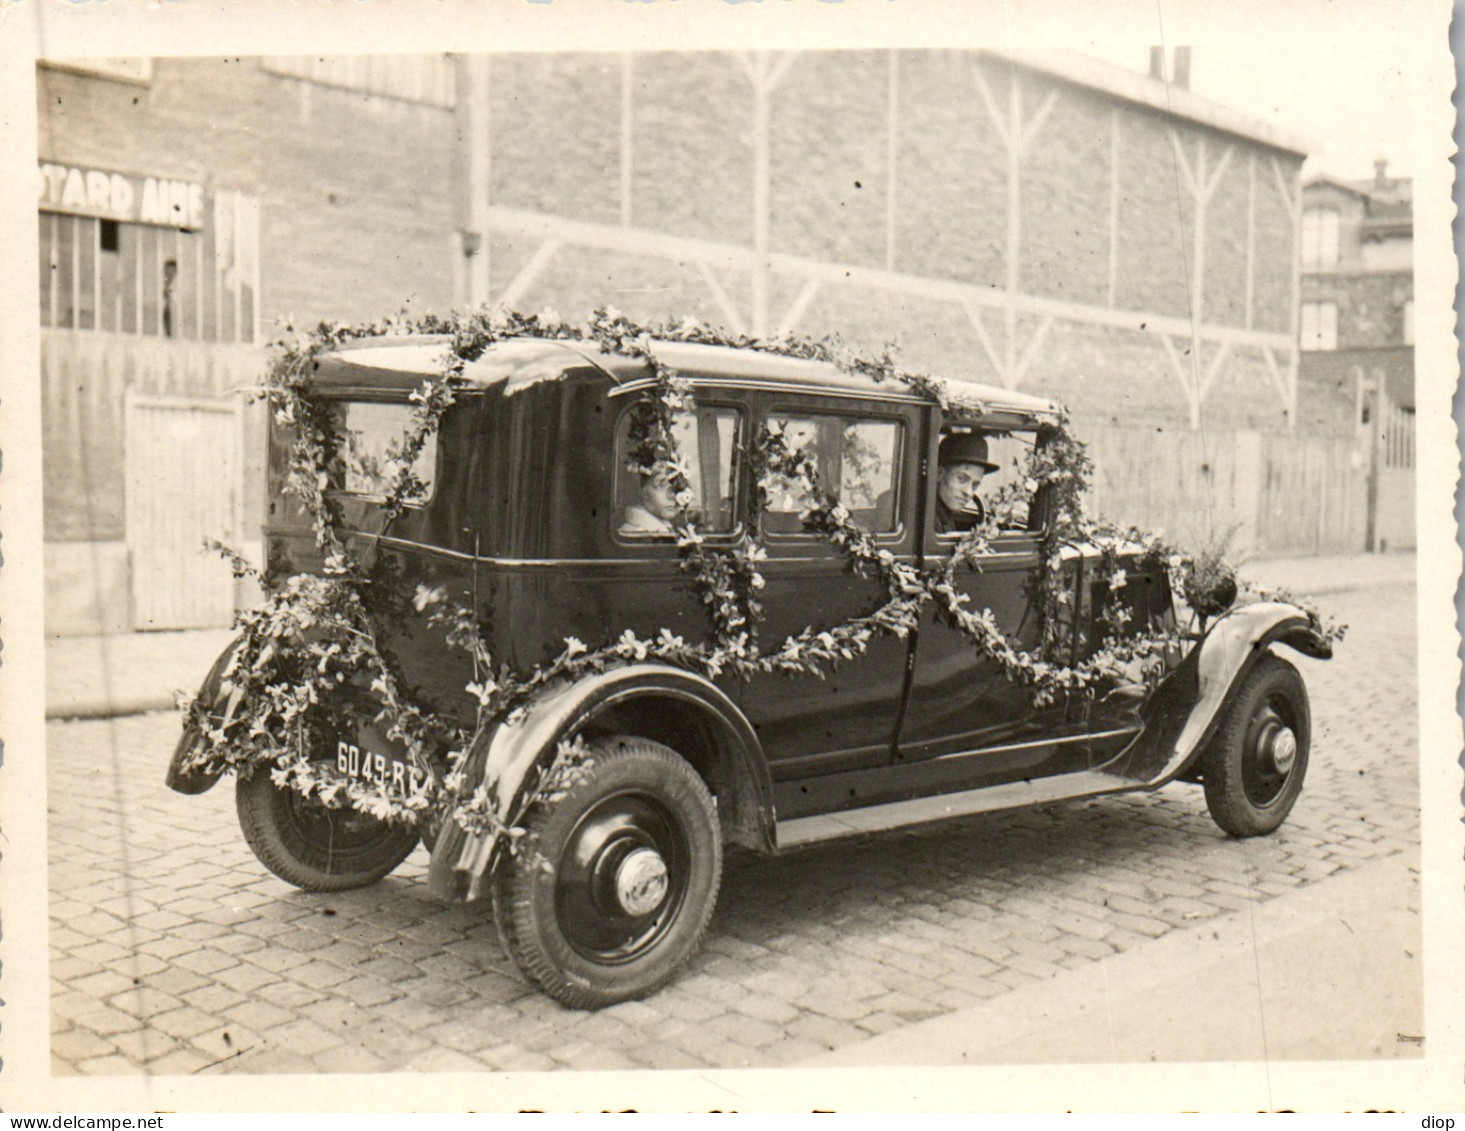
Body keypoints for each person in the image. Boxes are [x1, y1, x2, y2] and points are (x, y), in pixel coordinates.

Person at [934, 432, 999, 534]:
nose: (968, 492)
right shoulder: (930, 520)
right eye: (962, 479)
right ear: (939, 473)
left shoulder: (943, 516)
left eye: (975, 485)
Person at [620, 469, 680, 535]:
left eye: (675, 488)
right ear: (642, 491)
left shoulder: (664, 527)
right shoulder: (635, 533)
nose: (673, 495)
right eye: (661, 486)